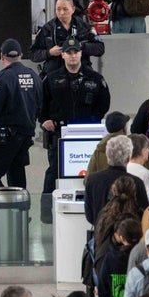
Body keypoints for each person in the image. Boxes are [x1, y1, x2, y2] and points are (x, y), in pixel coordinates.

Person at [42, 38, 112, 207]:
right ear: (63, 55)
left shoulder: (94, 78)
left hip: (87, 134)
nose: (73, 56)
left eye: (76, 52)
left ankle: (92, 205)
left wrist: (93, 121)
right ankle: (46, 210)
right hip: (60, 133)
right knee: (54, 171)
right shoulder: (51, 79)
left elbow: (104, 103)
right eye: (69, 53)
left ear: (81, 54)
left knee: (89, 170)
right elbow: (41, 102)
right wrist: (44, 119)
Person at [0, 39, 42, 191]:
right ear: (20, 55)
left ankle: (6, 209)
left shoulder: (1, 79)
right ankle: (21, 212)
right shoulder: (34, 77)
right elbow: (40, 104)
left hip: (4, 139)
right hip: (25, 137)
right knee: (17, 175)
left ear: (2, 57)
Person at [30, 0, 105, 76]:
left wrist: (81, 47)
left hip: (81, 73)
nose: (61, 13)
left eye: (65, 9)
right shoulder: (47, 29)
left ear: (73, 9)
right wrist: (49, 52)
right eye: (58, 9)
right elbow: (33, 54)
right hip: (54, 74)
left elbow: (100, 48)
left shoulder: (84, 27)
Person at [84, 136, 149, 225]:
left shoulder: (92, 180)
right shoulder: (136, 182)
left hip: (101, 234)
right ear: (128, 157)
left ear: (107, 155)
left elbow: (89, 216)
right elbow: (144, 215)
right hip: (129, 236)